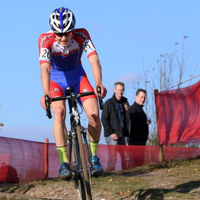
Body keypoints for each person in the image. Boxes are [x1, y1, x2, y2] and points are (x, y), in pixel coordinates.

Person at [38, 7, 107, 179]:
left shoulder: (82, 35)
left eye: (67, 33)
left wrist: (98, 83)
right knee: (59, 112)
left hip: (78, 77)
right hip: (55, 80)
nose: (62, 38)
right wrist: (46, 92)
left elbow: (94, 60)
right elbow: (45, 68)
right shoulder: (45, 39)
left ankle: (93, 157)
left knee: (94, 117)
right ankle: (64, 163)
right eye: (58, 34)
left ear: (73, 30)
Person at [101, 82, 129, 170]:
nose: (120, 92)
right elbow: (104, 119)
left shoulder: (124, 103)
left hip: (121, 134)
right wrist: (111, 133)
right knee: (113, 157)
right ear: (114, 90)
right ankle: (110, 175)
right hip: (112, 134)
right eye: (118, 90)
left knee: (125, 156)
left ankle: (126, 174)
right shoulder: (109, 103)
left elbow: (126, 119)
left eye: (122, 90)